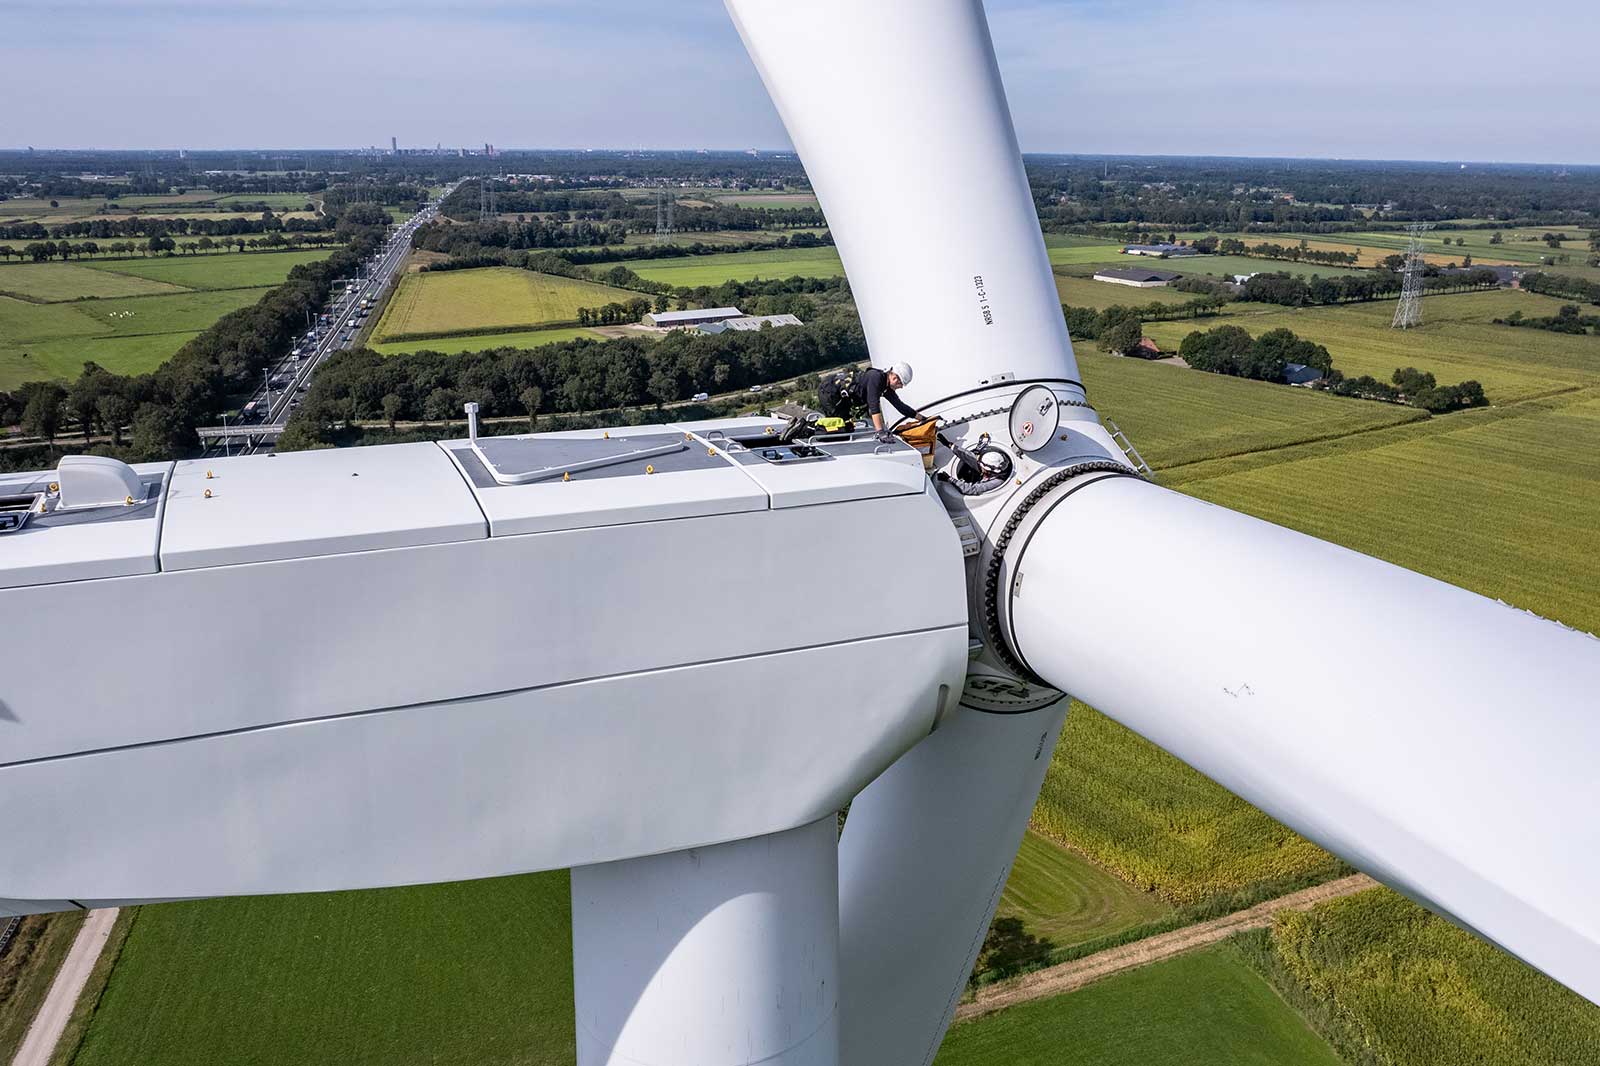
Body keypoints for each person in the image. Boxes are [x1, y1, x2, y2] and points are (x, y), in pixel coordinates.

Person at [817, 362, 919, 441]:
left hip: (841, 397)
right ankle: (814, 429)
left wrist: (922, 418)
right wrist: (880, 432)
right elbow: (874, 405)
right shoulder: (876, 378)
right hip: (829, 393)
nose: (901, 387)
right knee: (839, 429)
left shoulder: (886, 386)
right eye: (901, 384)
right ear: (895, 378)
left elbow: (900, 406)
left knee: (847, 428)